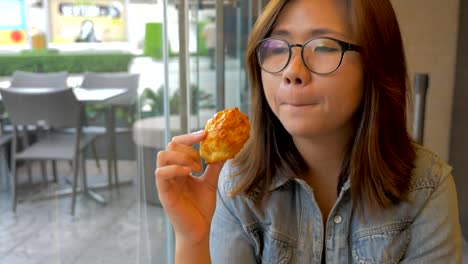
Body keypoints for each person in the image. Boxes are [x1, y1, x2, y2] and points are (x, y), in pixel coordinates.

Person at [156, 0, 463, 263]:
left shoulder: (426, 187)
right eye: (276, 47)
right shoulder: (238, 183)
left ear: (375, 63)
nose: (293, 72)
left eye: (324, 46)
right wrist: (194, 237)